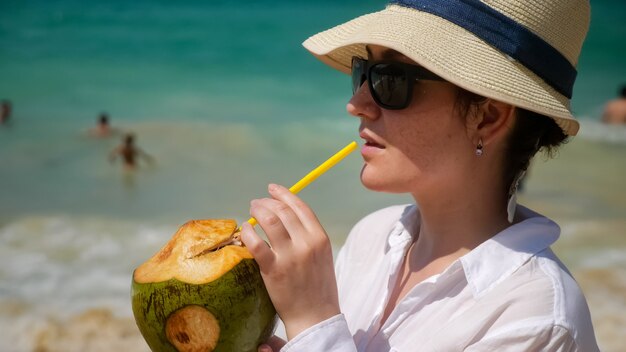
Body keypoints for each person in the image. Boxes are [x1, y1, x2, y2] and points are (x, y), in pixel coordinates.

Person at [239, 0, 600, 351]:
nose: (356, 105)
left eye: (391, 80)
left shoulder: (535, 319)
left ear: (488, 117)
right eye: (362, 72)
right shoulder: (372, 237)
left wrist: (312, 318)